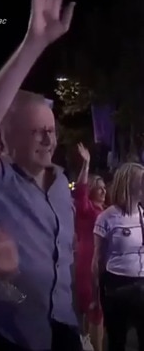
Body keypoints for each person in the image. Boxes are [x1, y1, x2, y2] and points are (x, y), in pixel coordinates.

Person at [0, 0, 80, 350]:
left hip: (61, 327)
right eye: (36, 131)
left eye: (51, 130)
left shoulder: (62, 183)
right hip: (4, 335)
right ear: (9, 140)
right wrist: (34, 42)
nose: (49, 139)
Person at [92, 162, 144, 351]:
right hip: (116, 287)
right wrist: (94, 295)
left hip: (142, 284)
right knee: (117, 341)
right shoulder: (106, 218)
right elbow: (97, 259)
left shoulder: (143, 215)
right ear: (129, 184)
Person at [74, 143, 106, 351]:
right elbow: (80, 192)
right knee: (95, 312)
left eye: (105, 188)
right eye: (99, 188)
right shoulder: (87, 210)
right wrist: (86, 164)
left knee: (92, 312)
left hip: (100, 261)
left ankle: (87, 346)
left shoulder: (106, 209)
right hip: (89, 263)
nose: (103, 191)